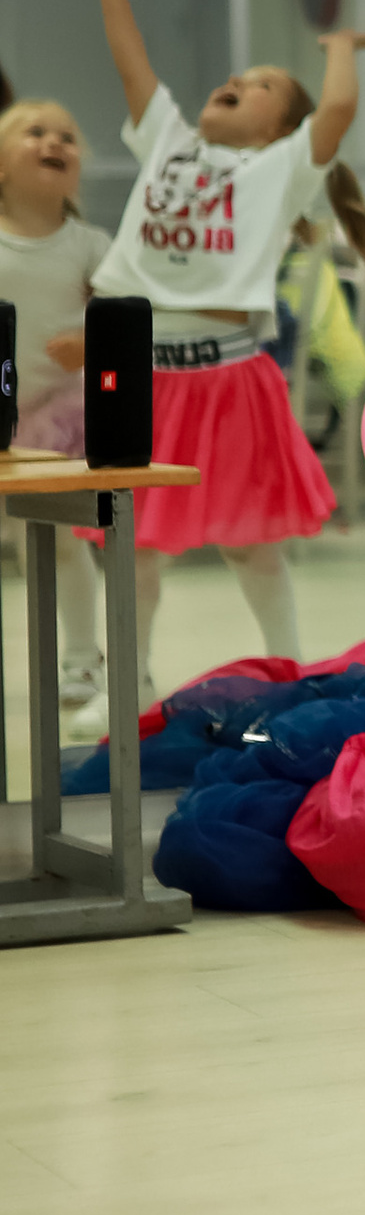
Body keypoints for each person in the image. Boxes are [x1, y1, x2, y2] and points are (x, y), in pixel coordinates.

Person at [74, 0, 365, 686]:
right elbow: (133, 68)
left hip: (230, 380)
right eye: (240, 74)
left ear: (280, 129)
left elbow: (336, 116)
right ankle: (129, 678)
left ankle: (289, 671)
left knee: (253, 545)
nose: (238, 81)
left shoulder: (282, 169)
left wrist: (338, 51)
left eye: (261, 84)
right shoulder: (169, 140)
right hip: (142, 375)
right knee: (135, 543)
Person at [0, 98, 117, 736]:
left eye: (67, 136)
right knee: (21, 546)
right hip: (1, 411)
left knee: (57, 544)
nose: (54, 141)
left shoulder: (89, 245)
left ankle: (79, 659)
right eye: (35, 132)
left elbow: (124, 327)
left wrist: (91, 342)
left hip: (55, 418)